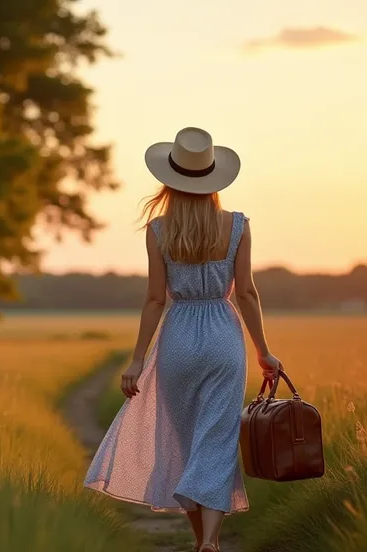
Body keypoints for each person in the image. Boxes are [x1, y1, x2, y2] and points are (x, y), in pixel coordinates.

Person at [83, 127, 283, 552]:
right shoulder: (237, 226)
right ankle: (209, 541)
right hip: (223, 339)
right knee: (218, 440)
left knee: (187, 441)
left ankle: (201, 541)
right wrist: (264, 351)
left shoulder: (158, 231)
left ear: (170, 182)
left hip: (177, 340)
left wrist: (137, 360)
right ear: (214, 181)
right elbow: (246, 292)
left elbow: (156, 299)